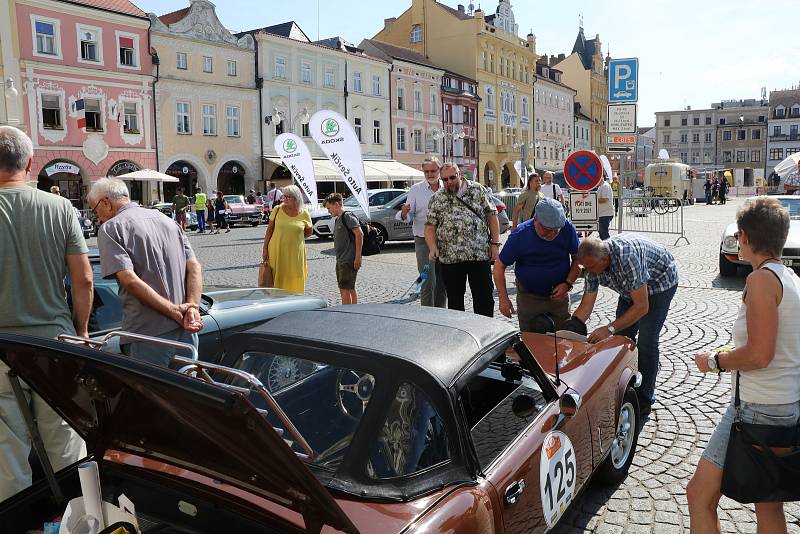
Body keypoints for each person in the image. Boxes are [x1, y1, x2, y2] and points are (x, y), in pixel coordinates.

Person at [687, 197, 800, 534]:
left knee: (699, 495)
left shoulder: (762, 280)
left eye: (738, 236)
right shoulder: (790, 278)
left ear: (747, 237)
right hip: (782, 405)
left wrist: (715, 361)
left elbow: (759, 355)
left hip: (757, 409)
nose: (736, 242)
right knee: (768, 505)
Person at [0, 126, 93, 502]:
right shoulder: (59, 207)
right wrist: (82, 329)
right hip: (55, 342)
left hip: (1, 345)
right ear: (29, 162)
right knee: (65, 439)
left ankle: (17, 523)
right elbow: (84, 278)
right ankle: (81, 518)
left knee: (6, 450)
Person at [90, 178, 203, 367]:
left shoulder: (110, 228)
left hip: (148, 335)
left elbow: (130, 281)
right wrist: (192, 307)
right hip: (186, 329)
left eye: (95, 210)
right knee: (185, 394)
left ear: (106, 203)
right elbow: (194, 267)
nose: (97, 218)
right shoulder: (167, 220)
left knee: (151, 395)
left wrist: (175, 311)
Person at [572, 235, 678, 416]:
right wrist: (572, 327)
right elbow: (586, 305)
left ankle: (644, 397)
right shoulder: (592, 264)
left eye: (589, 268)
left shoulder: (627, 257)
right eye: (585, 267)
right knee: (623, 339)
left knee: (647, 340)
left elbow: (642, 307)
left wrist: (609, 328)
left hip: (660, 284)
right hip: (631, 289)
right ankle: (626, 383)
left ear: (604, 260)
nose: (587, 272)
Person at [494, 197, 580, 331]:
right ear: (535, 220)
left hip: (559, 297)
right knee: (531, 342)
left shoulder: (566, 228)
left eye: (556, 229)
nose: (552, 234)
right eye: (547, 229)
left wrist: (568, 284)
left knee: (563, 340)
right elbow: (499, 267)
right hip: (529, 297)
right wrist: (503, 298)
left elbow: (577, 259)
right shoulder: (520, 235)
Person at [425, 162, 500, 317]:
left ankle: (485, 332)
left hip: (478, 254)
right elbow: (430, 227)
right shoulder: (437, 198)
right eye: (445, 179)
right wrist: (432, 247)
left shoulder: (477, 190)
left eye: (452, 177)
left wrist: (495, 244)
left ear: (460, 175)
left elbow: (492, 216)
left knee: (484, 297)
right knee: (455, 301)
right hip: (451, 258)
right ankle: (459, 335)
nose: (449, 182)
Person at [396, 156, 447, 307]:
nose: (430, 174)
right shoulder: (416, 189)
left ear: (439, 170)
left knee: (442, 281)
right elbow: (407, 215)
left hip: (445, 241)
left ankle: (440, 313)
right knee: (426, 279)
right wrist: (404, 213)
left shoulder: (447, 187)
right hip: (423, 241)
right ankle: (427, 315)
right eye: (427, 172)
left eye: (433, 171)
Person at [262, 185, 312, 293]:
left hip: (295, 254)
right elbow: (269, 230)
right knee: (277, 278)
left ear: (296, 198)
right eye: (284, 196)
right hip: (277, 251)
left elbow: (309, 231)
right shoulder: (277, 209)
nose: (285, 199)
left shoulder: (304, 213)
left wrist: (295, 237)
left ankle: (295, 302)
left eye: (288, 197)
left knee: (295, 276)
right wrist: (265, 249)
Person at [325, 193, 363, 304]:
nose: (328, 211)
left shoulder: (347, 216)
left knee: (345, 288)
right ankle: (353, 309)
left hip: (348, 259)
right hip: (341, 259)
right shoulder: (338, 219)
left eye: (329, 208)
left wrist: (358, 257)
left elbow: (359, 234)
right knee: (347, 287)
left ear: (336, 204)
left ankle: (347, 313)